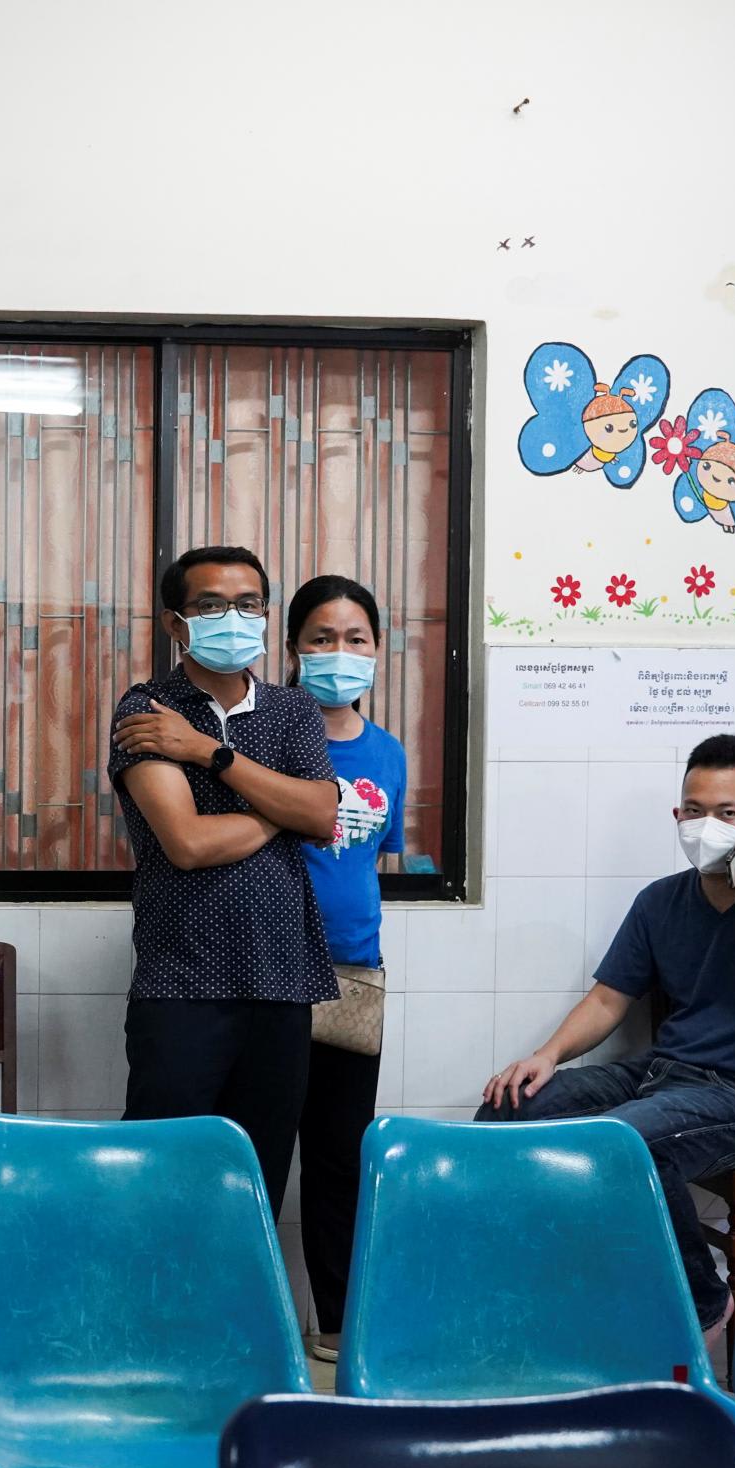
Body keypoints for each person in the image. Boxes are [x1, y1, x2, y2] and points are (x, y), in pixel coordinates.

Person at [479, 734, 735, 1340]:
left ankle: (701, 1301)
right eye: (694, 811)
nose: (706, 826)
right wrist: (545, 1056)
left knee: (627, 1140)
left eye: (727, 813)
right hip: (666, 1074)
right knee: (509, 1106)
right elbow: (609, 999)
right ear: (677, 815)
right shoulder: (659, 901)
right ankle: (538, 1285)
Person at [110, 546, 340, 1210]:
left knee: (255, 1185)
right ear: (175, 623)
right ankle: (151, 1288)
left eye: (248, 604)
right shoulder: (148, 709)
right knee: (163, 1181)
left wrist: (206, 752)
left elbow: (322, 815)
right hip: (182, 984)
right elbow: (187, 843)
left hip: (283, 983)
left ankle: (239, 1288)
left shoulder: (293, 711)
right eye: (211, 605)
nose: (232, 618)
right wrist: (281, 810)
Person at [285, 575, 407, 1363]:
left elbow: (369, 856)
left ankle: (334, 1321)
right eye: (321, 638)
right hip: (269, 967)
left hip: (355, 969)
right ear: (293, 648)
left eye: (355, 638)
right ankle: (245, 1320)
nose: (340, 652)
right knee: (256, 1149)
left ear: (377, 649)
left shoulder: (387, 752)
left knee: (339, 1157)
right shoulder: (270, 735)